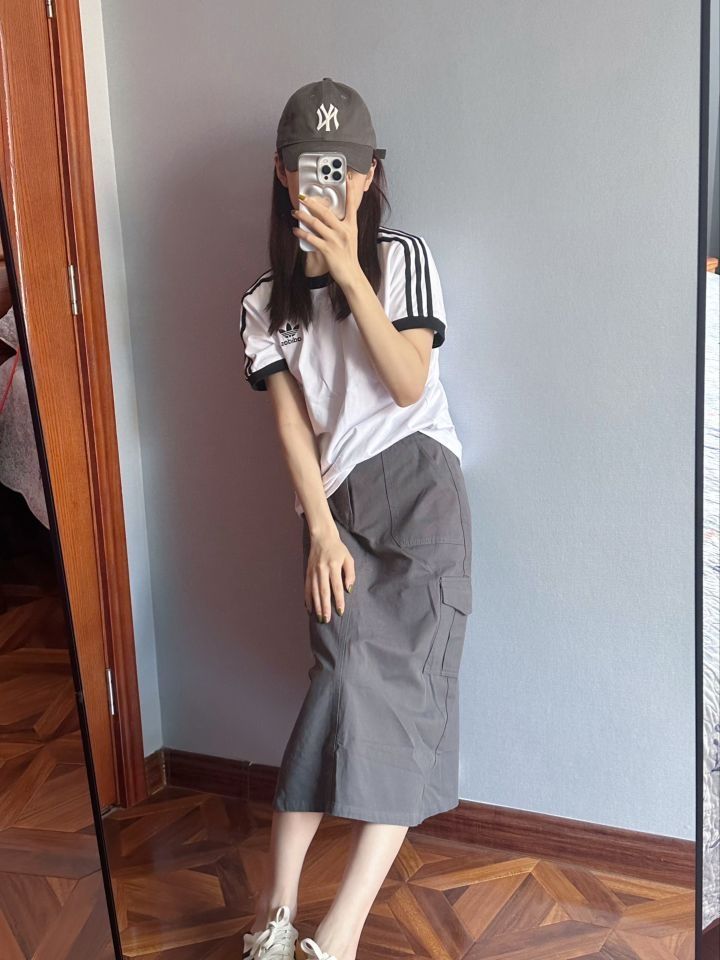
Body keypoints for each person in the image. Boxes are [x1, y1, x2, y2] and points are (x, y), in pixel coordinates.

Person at [239, 78, 473, 960]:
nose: (331, 184)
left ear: (371, 174)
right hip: (335, 505)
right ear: (284, 173)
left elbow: (409, 384)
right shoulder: (263, 302)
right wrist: (320, 532)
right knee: (336, 685)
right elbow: (292, 427)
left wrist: (348, 270)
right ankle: (275, 915)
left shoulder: (403, 258)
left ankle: (337, 937)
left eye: (346, 168)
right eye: (313, 167)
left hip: (421, 490)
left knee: (413, 703)